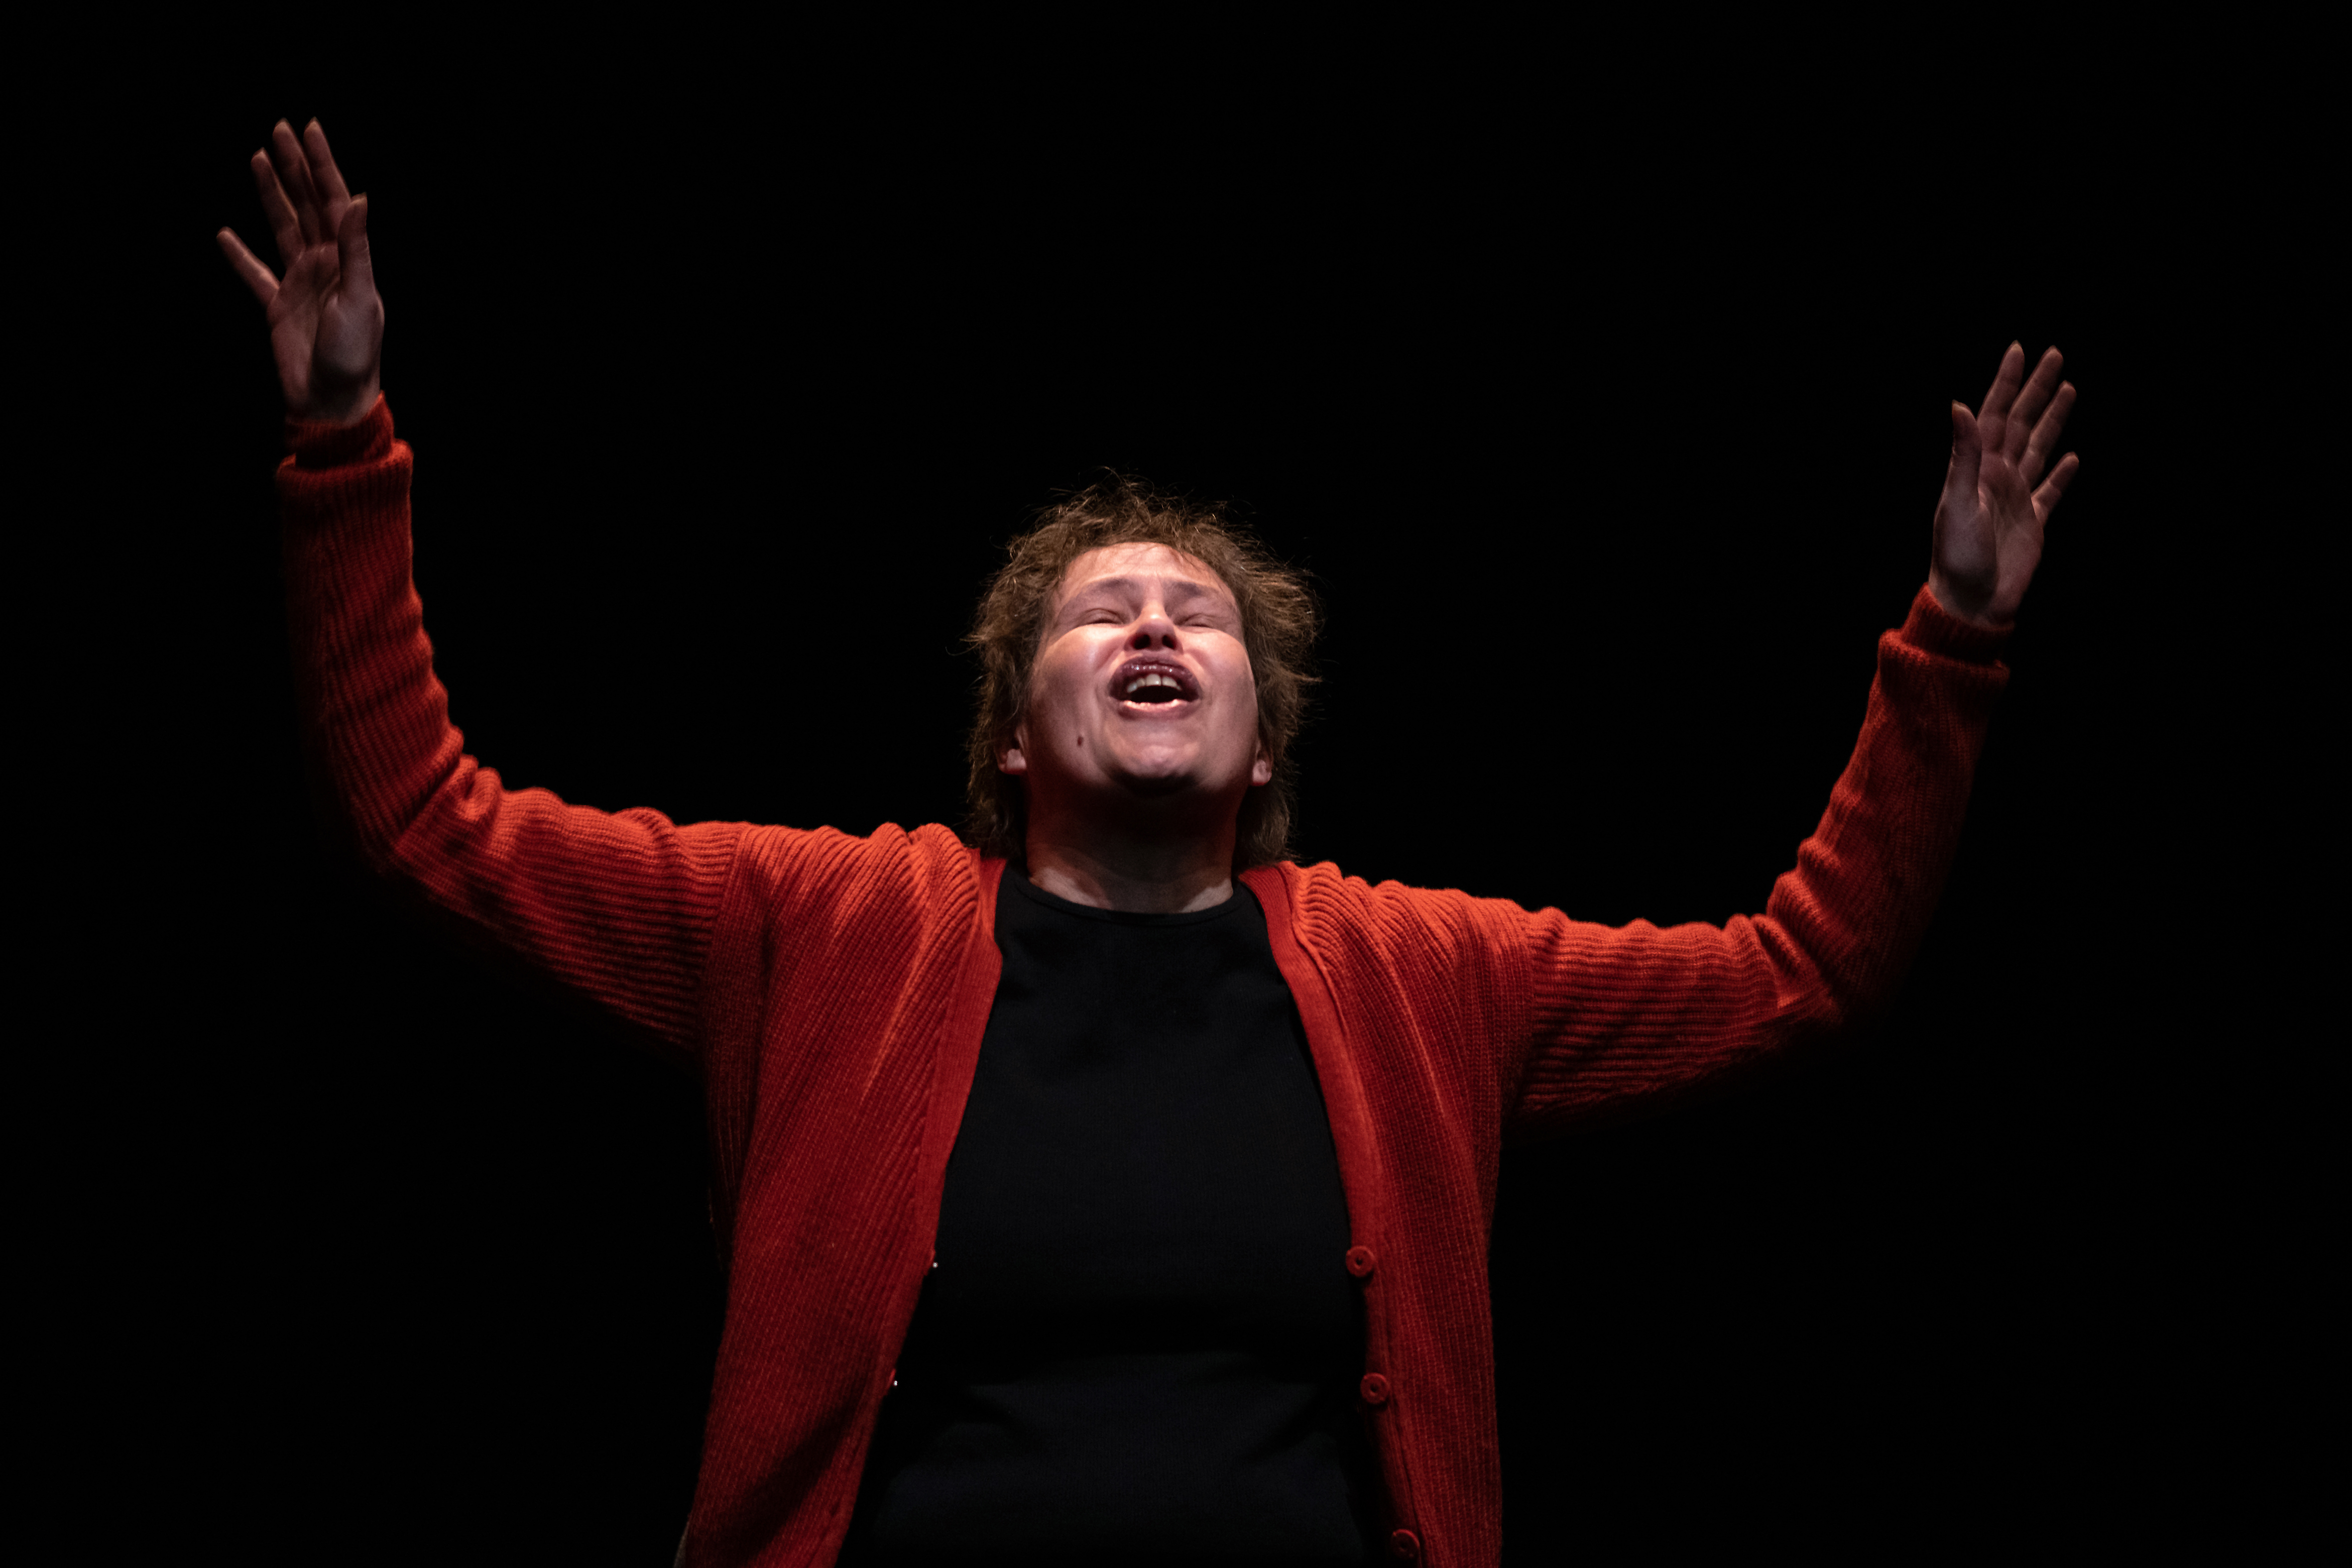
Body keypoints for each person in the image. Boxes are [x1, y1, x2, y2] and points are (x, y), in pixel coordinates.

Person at [221, 119, 2078, 1568]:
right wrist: (339, 434)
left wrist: (1959, 636)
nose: (1154, 626)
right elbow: (426, 819)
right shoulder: (825, 923)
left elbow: (1798, 975)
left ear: (1262, 748)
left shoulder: (1422, 974)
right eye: (1098, 613)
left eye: (1198, 617)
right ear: (1013, 735)